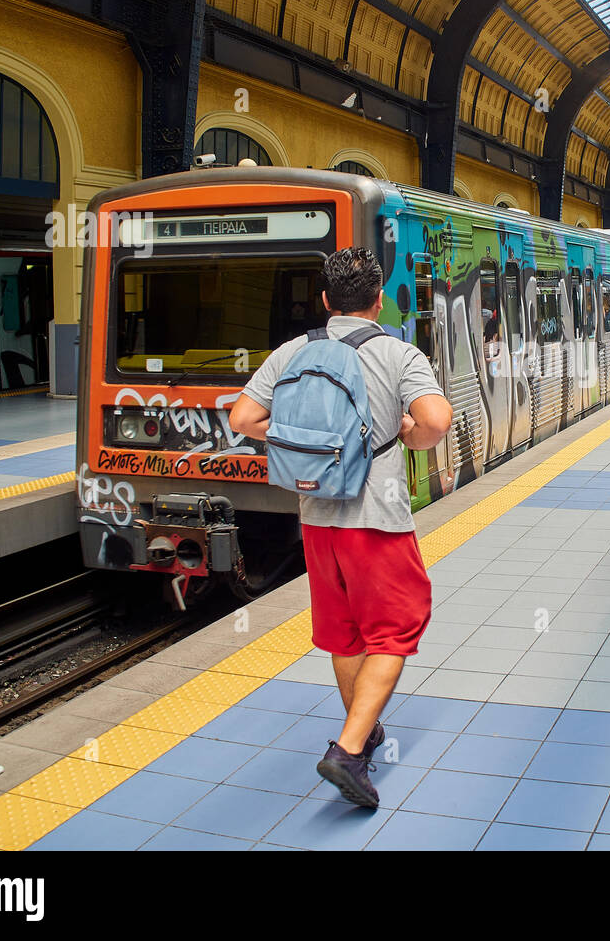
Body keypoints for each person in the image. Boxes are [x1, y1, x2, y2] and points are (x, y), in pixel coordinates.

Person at [228, 248, 453, 810]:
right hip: (377, 517)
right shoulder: (398, 353)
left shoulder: (294, 350)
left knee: (345, 631)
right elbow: (436, 422)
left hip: (317, 518)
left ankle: (364, 726)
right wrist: (405, 432)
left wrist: (308, 440)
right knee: (397, 627)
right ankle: (349, 750)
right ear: (378, 300)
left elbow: (243, 420)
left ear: (326, 301)